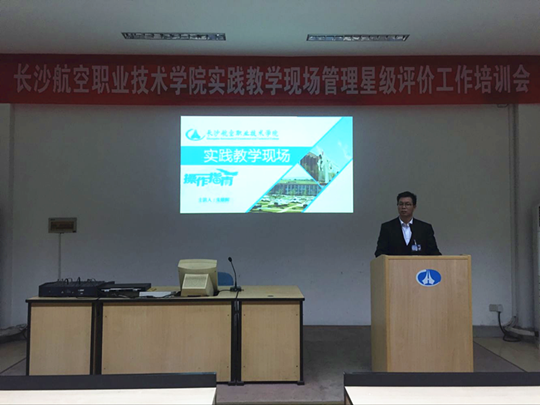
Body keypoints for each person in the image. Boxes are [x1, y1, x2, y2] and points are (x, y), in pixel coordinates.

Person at [375, 191, 441, 257]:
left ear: (414, 207)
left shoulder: (425, 228)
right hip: (395, 263)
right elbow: (380, 253)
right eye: (401, 204)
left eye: (407, 204)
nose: (403, 207)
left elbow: (434, 252)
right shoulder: (387, 227)